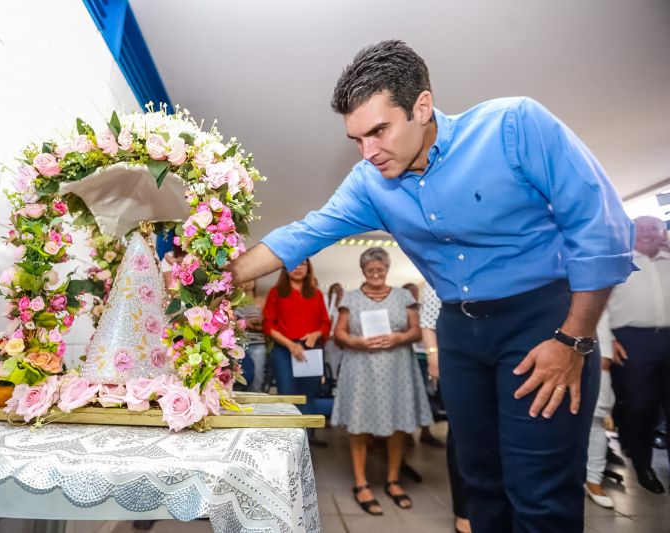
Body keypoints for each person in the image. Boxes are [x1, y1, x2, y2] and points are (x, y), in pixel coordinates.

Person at [229, 40, 634, 532]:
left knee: (540, 492)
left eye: (379, 131)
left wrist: (574, 339)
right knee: (479, 481)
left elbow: (600, 227)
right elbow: (302, 235)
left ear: (422, 106)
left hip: (544, 323)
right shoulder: (369, 182)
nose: (368, 152)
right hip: (459, 332)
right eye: (356, 139)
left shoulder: (513, 126)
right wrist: (211, 278)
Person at [332, 247, 431, 515]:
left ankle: (393, 480)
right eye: (370, 270)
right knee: (359, 422)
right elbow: (339, 333)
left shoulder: (404, 296)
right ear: (362, 271)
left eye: (380, 269)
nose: (375, 274)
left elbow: (416, 331)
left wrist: (399, 337)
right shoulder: (351, 298)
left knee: (397, 421)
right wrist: (356, 342)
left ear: (387, 269)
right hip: (360, 366)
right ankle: (361, 483)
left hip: (397, 366)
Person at [607, 216, 670, 494]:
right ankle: (643, 467)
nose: (646, 233)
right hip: (631, 340)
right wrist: (608, 340)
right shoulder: (617, 262)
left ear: (663, 233)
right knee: (640, 407)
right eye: (640, 228)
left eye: (652, 228)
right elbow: (598, 303)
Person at [419, 282, 471, 533]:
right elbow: (428, 321)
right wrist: (433, 355)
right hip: (460, 360)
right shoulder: (442, 274)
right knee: (462, 434)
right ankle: (464, 510)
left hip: (509, 357)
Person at [262, 259, 331, 444]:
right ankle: (289, 443)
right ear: (285, 268)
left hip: (310, 351)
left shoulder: (316, 294)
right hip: (284, 351)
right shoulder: (276, 293)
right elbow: (268, 325)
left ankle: (307, 442)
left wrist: (316, 334)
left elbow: (325, 323)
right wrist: (290, 345)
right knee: (288, 397)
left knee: (308, 397)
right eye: (294, 264)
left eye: (303, 264)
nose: (298, 267)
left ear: (309, 268)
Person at [403, 281, 445, 449]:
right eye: (410, 292)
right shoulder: (401, 311)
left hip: (428, 357)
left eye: (415, 292)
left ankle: (426, 432)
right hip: (410, 356)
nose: (414, 295)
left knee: (429, 394)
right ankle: (406, 434)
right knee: (410, 395)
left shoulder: (424, 307)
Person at [585, 310, 617, 508]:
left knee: (596, 419)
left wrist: (605, 353)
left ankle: (593, 480)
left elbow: (601, 309)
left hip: (591, 343)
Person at [235, 280, 268, 392]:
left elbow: (268, 325)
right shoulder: (235, 300)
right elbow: (229, 323)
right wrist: (245, 323)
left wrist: (252, 325)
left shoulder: (261, 301)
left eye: (252, 279)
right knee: (236, 378)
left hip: (257, 345)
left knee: (257, 379)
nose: (249, 282)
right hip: (237, 346)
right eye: (247, 279)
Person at [324, 283, 345, 377]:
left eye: (340, 290)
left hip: (342, 342)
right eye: (335, 291)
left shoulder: (344, 308)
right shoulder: (327, 308)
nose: (338, 293)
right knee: (331, 363)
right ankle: (331, 380)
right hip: (330, 341)